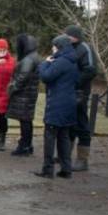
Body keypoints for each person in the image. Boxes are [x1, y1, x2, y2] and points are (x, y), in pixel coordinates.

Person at [34, 35, 78, 179]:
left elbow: (46, 77)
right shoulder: (73, 61)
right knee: (64, 136)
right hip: (69, 103)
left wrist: (44, 63)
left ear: (59, 47)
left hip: (57, 104)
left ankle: (48, 170)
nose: (52, 49)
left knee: (50, 136)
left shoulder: (61, 62)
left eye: (54, 46)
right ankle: (66, 169)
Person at [64, 25, 98, 172]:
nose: (65, 37)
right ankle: (65, 155)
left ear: (74, 36)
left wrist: (76, 83)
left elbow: (90, 70)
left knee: (82, 124)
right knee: (68, 123)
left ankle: (82, 160)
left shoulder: (85, 48)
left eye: (67, 35)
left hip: (80, 93)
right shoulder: (70, 48)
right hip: (69, 92)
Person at [7, 34, 40, 156]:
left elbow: (22, 77)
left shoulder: (28, 60)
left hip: (24, 95)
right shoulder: (33, 57)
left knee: (25, 121)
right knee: (27, 120)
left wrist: (12, 88)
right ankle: (27, 144)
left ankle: (24, 146)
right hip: (29, 94)